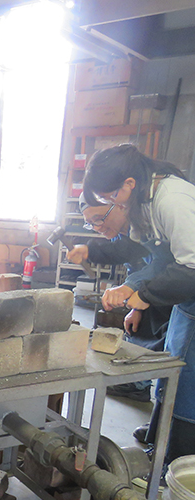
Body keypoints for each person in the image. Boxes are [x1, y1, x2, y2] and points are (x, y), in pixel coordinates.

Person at [81, 143, 195, 465]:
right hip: (188, 303)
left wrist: (144, 297)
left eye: (110, 198)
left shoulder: (172, 200)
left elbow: (190, 267)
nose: (111, 205)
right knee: (171, 365)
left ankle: (176, 459)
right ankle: (159, 436)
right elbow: (161, 260)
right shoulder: (146, 199)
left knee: (188, 380)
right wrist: (133, 292)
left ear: (128, 183)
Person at [68, 195, 172, 409]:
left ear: (120, 205)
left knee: (176, 357)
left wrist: (130, 287)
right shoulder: (122, 234)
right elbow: (134, 265)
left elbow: (164, 263)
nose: (97, 227)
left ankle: (173, 420)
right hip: (156, 288)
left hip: (180, 286)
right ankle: (139, 386)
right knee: (138, 326)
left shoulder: (150, 223)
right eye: (90, 223)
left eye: (99, 218)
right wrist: (136, 308)